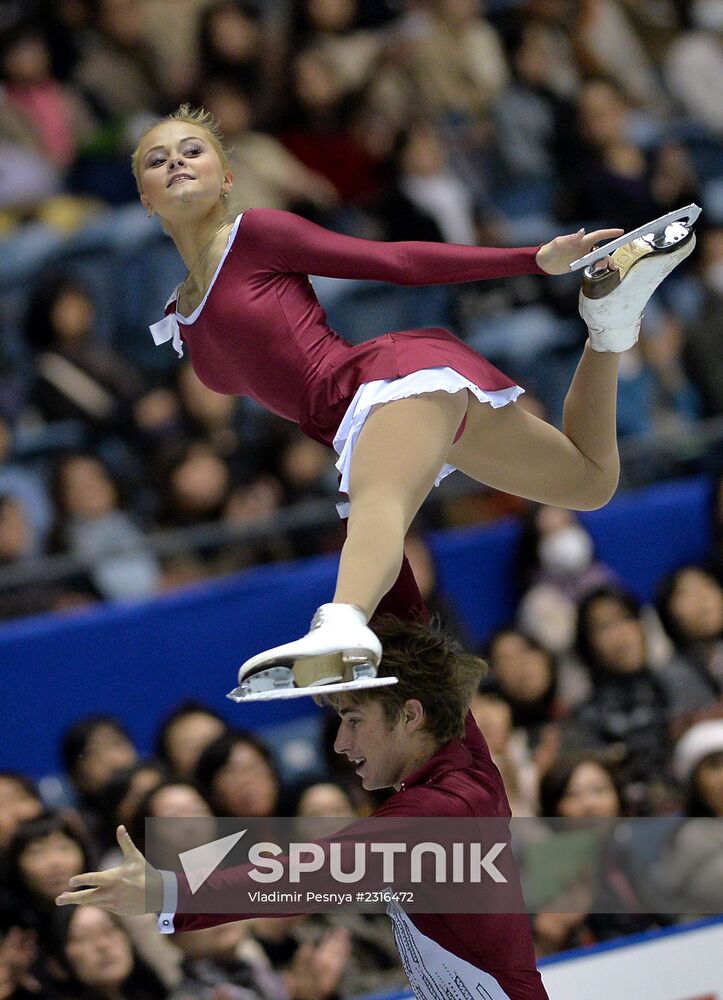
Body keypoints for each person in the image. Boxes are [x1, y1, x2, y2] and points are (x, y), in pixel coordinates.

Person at [133, 103, 695, 696]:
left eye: (192, 149)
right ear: (145, 198)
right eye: (156, 158)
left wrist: (531, 259)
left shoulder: (258, 235)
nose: (176, 161)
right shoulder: (181, 320)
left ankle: (339, 623)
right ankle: (609, 325)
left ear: (226, 177)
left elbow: (396, 261)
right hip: (361, 423)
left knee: (380, 504)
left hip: (380, 384)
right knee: (591, 483)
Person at [56, 616, 550, 999]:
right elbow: (407, 626)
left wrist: (166, 893)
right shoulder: (458, 748)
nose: (339, 742)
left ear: (410, 716)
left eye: (353, 719)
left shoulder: (435, 817)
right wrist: (363, 499)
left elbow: (302, 874)